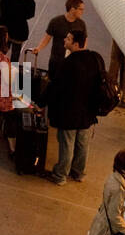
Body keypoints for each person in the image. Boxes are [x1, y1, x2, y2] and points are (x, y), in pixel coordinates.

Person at [44, 25, 106, 185]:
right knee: (83, 145)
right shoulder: (96, 59)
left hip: (69, 113)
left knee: (67, 145)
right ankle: (78, 173)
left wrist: (41, 102)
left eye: (69, 39)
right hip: (88, 112)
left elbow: (55, 88)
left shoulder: (68, 63)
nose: (65, 40)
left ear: (77, 44)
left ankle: (60, 176)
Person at [35, 0, 86, 77]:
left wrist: (81, 56)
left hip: (72, 62)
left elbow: (84, 41)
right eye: (80, 9)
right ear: (72, 9)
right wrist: (38, 48)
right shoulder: (56, 22)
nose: (82, 12)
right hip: (56, 60)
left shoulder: (81, 24)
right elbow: (47, 38)